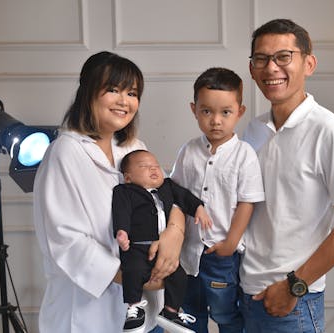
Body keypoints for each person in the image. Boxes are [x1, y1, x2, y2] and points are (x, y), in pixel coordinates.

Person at [33, 51, 186, 333]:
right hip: (87, 314)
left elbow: (168, 198)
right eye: (113, 90)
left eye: (132, 93)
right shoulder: (65, 153)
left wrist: (174, 234)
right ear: (88, 92)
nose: (124, 101)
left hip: (144, 309)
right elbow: (65, 240)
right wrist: (130, 277)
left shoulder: (133, 147)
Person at [239, 19, 334, 333]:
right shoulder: (253, 129)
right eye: (261, 59)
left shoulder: (331, 131)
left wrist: (294, 285)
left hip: (293, 301)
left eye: (283, 57)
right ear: (253, 68)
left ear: (308, 63)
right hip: (244, 291)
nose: (271, 68)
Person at [170, 67, 265, 333]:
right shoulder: (188, 152)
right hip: (188, 255)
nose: (216, 121)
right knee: (189, 314)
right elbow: (176, 194)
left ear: (240, 112)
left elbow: (248, 201)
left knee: (225, 314)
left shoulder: (244, 155)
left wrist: (231, 243)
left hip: (221, 254)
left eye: (225, 112)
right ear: (194, 109)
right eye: (206, 111)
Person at [112, 149, 212, 332]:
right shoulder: (124, 191)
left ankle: (170, 312)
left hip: (162, 249)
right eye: (144, 166)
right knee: (133, 271)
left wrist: (198, 207)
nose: (153, 169)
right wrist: (122, 232)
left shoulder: (167, 186)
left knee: (179, 275)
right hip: (137, 247)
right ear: (128, 177)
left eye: (156, 165)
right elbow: (121, 213)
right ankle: (134, 309)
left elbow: (185, 197)